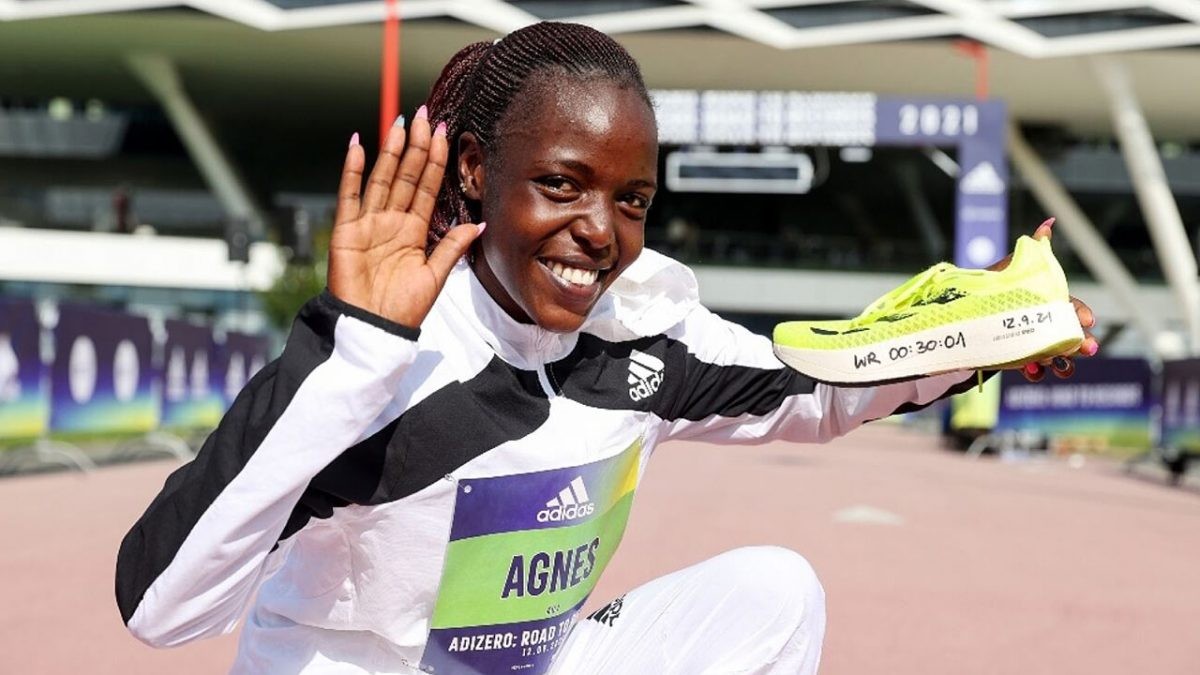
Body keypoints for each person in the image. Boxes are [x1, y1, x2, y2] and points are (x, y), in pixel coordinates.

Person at [115, 22, 1097, 675]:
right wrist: (350, 349)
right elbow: (161, 608)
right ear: (476, 170)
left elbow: (814, 387)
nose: (599, 231)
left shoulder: (644, 331)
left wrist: (982, 336)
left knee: (773, 593)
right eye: (562, 183)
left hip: (527, 664)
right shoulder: (386, 361)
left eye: (631, 200)